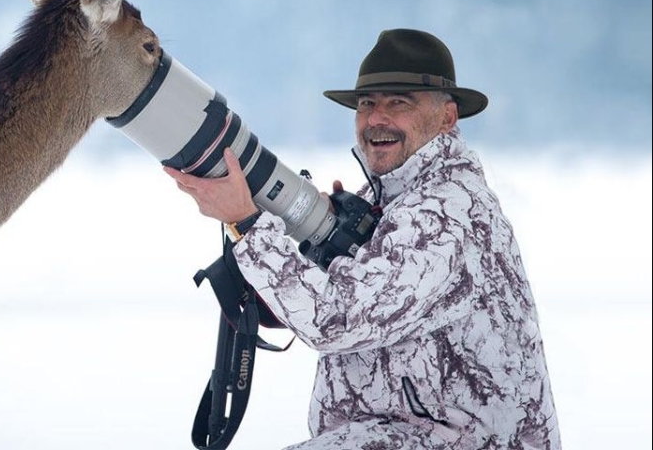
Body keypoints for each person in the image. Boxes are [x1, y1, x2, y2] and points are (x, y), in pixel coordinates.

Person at [164, 29, 561, 449]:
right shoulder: (392, 199)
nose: (376, 118)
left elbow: (335, 319)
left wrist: (248, 224)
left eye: (398, 103)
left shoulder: (447, 214)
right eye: (367, 104)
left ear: (447, 118)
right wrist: (315, 245)